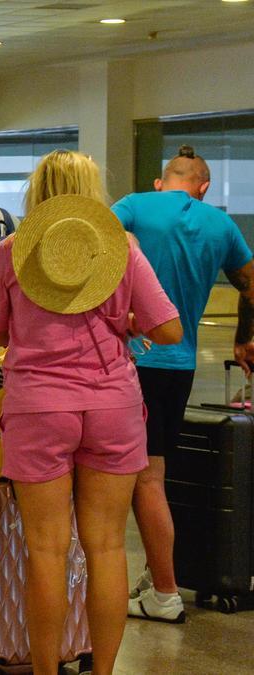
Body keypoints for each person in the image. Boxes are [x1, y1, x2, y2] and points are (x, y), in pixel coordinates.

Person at [0, 150, 182, 675]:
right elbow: (171, 331)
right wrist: (130, 320)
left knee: (47, 550)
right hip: (113, 403)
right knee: (108, 547)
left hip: (39, 408)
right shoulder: (121, 249)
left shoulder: (11, 251)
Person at [110, 145, 254, 623]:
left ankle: (165, 591)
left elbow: (92, 251)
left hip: (133, 360)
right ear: (204, 187)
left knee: (140, 481)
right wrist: (243, 337)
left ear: (160, 181)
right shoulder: (223, 226)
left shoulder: (133, 204)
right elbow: (252, 284)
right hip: (179, 364)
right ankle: (157, 577)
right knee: (154, 474)